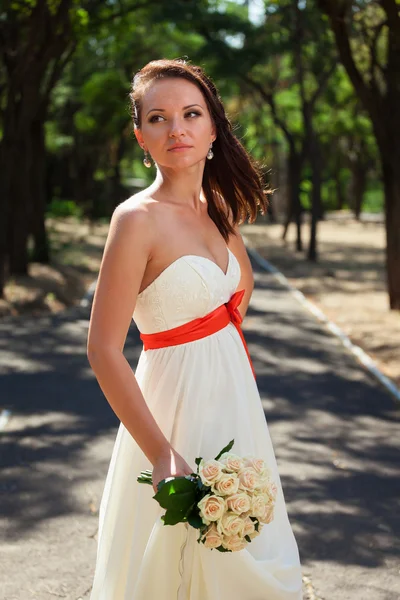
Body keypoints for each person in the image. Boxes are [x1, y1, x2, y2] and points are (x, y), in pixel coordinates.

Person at [87, 58, 303, 600]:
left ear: (212, 127)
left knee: (245, 546)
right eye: (158, 118)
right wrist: (161, 450)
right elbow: (103, 349)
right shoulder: (135, 219)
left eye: (190, 113)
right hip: (171, 408)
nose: (176, 128)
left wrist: (216, 353)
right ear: (141, 136)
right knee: (182, 555)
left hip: (234, 402)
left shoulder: (221, 209)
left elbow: (238, 294)